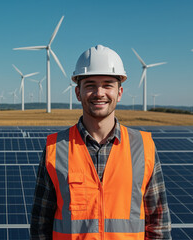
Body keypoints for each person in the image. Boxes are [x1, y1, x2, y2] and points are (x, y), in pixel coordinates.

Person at [30, 45, 171, 240]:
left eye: (107, 84)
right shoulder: (56, 147)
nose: (99, 92)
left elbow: (159, 225)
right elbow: (40, 226)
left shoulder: (143, 147)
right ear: (78, 93)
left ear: (119, 92)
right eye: (90, 85)